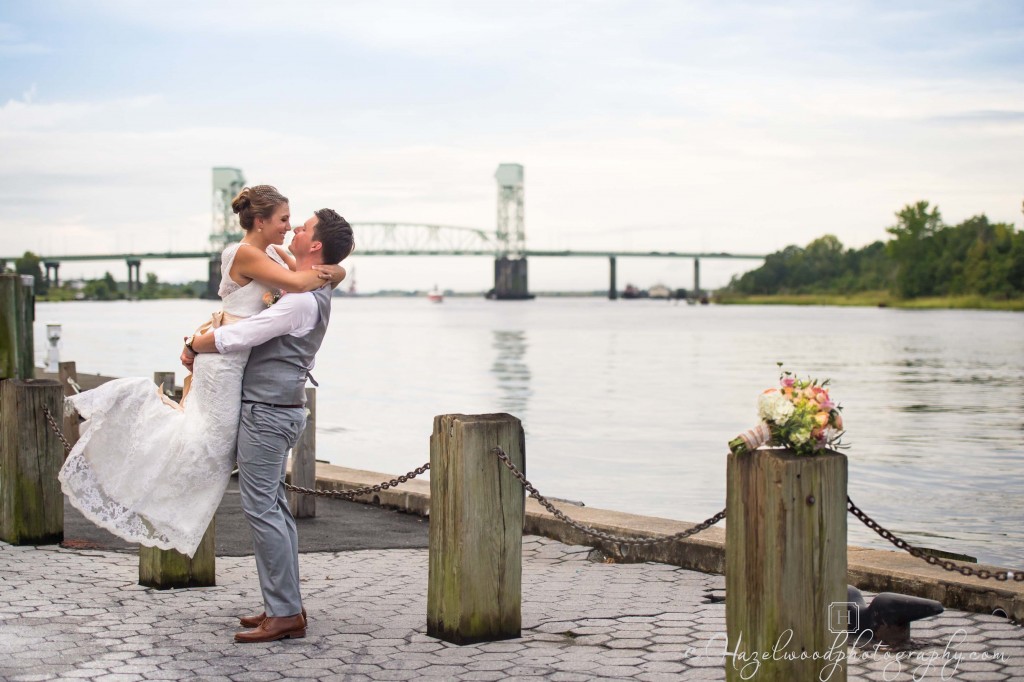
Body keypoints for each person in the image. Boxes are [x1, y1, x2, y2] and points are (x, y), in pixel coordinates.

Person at [59, 186, 345, 558]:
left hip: (234, 354)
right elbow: (298, 283)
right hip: (223, 358)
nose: (290, 228)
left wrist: (335, 269)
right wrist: (334, 270)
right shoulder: (243, 253)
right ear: (260, 221)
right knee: (205, 443)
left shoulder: (273, 252)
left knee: (207, 443)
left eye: (295, 222)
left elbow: (304, 280)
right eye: (284, 220)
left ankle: (167, 500)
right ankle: (152, 492)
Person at [181, 208, 354, 643]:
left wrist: (196, 342)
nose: (295, 229)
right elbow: (287, 257)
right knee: (273, 508)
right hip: (278, 409)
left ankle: (284, 614)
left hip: (267, 413)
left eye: (304, 227)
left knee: (263, 511)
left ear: (315, 244)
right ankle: (283, 604)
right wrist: (337, 267)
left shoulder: (297, 300)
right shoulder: (311, 284)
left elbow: (241, 336)